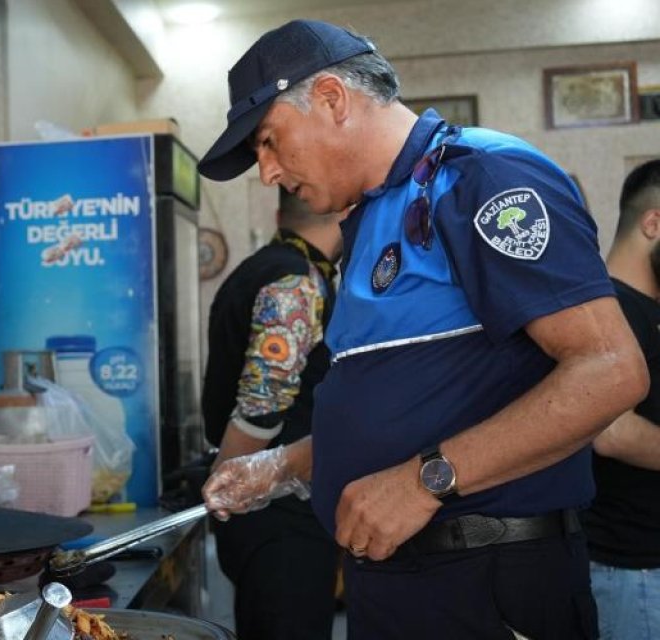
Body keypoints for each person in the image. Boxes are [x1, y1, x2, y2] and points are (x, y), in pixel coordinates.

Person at [195, 19, 647, 639]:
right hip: (394, 581)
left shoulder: (484, 178)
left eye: (270, 141)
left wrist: (426, 479)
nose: (266, 172)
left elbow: (610, 369)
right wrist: (283, 466)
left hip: (483, 580)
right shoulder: (372, 217)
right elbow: (405, 408)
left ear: (331, 98)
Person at [201, 186, 343, 639]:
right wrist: (231, 486)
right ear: (343, 212)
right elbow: (262, 407)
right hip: (276, 511)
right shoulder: (294, 281)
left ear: (281, 213)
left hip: (263, 509)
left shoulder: (258, 268)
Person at [584, 159, 660, 638]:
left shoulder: (647, 308)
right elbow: (612, 432)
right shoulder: (609, 308)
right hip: (632, 571)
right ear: (653, 223)